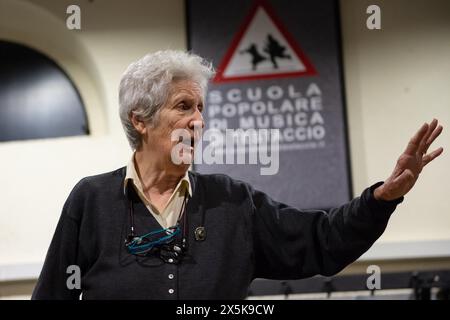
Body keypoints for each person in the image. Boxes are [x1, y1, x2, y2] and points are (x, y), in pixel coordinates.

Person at [32, 50, 443, 300]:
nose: (199, 122)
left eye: (201, 108)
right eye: (183, 107)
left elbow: (321, 240)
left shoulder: (232, 202)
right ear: (140, 120)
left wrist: (382, 199)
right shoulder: (90, 201)